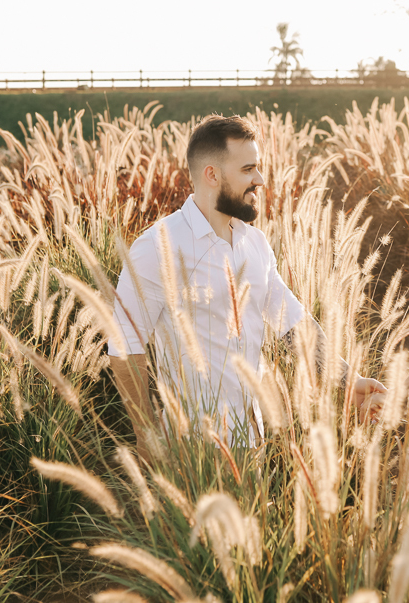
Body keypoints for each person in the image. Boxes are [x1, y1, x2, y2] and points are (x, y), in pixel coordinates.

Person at [108, 114, 385, 454]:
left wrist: (347, 380)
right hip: (192, 451)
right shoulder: (157, 247)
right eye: (248, 169)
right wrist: (146, 434)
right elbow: (124, 346)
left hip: (251, 443)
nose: (260, 179)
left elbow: (293, 324)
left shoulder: (255, 244)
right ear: (212, 174)